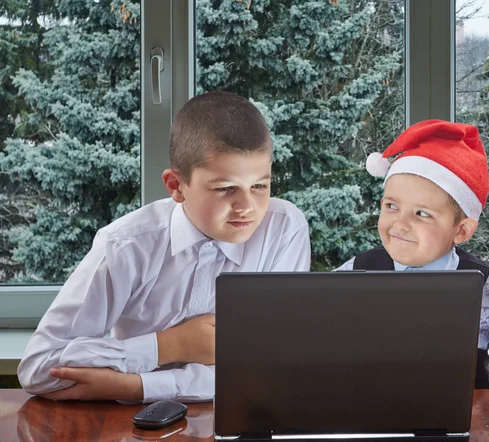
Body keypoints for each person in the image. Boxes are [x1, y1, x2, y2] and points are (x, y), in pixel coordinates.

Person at [17, 91, 311, 402]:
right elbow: (38, 368)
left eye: (260, 186)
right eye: (226, 189)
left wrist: (136, 386)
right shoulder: (124, 247)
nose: (247, 207)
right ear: (176, 186)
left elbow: (272, 368)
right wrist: (168, 345)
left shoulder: (284, 230)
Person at [338, 119, 489, 389]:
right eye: (391, 206)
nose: (399, 224)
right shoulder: (354, 272)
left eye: (422, 213)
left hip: (468, 425)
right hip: (373, 423)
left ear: (462, 230)